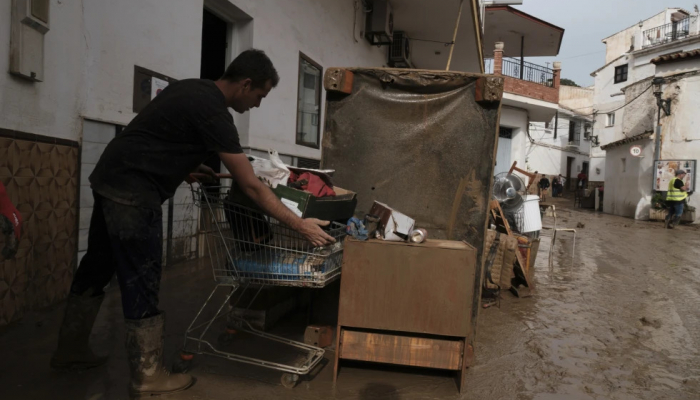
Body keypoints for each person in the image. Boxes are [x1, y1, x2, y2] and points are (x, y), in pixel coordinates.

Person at [50, 49, 335, 397]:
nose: (258, 104)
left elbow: (156, 137)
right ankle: (148, 377)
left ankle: (70, 349)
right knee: (142, 279)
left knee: (96, 265)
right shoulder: (214, 112)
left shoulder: (192, 89)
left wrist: (183, 167)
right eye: (260, 95)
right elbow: (249, 184)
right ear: (245, 84)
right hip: (134, 195)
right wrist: (299, 225)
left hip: (111, 180)